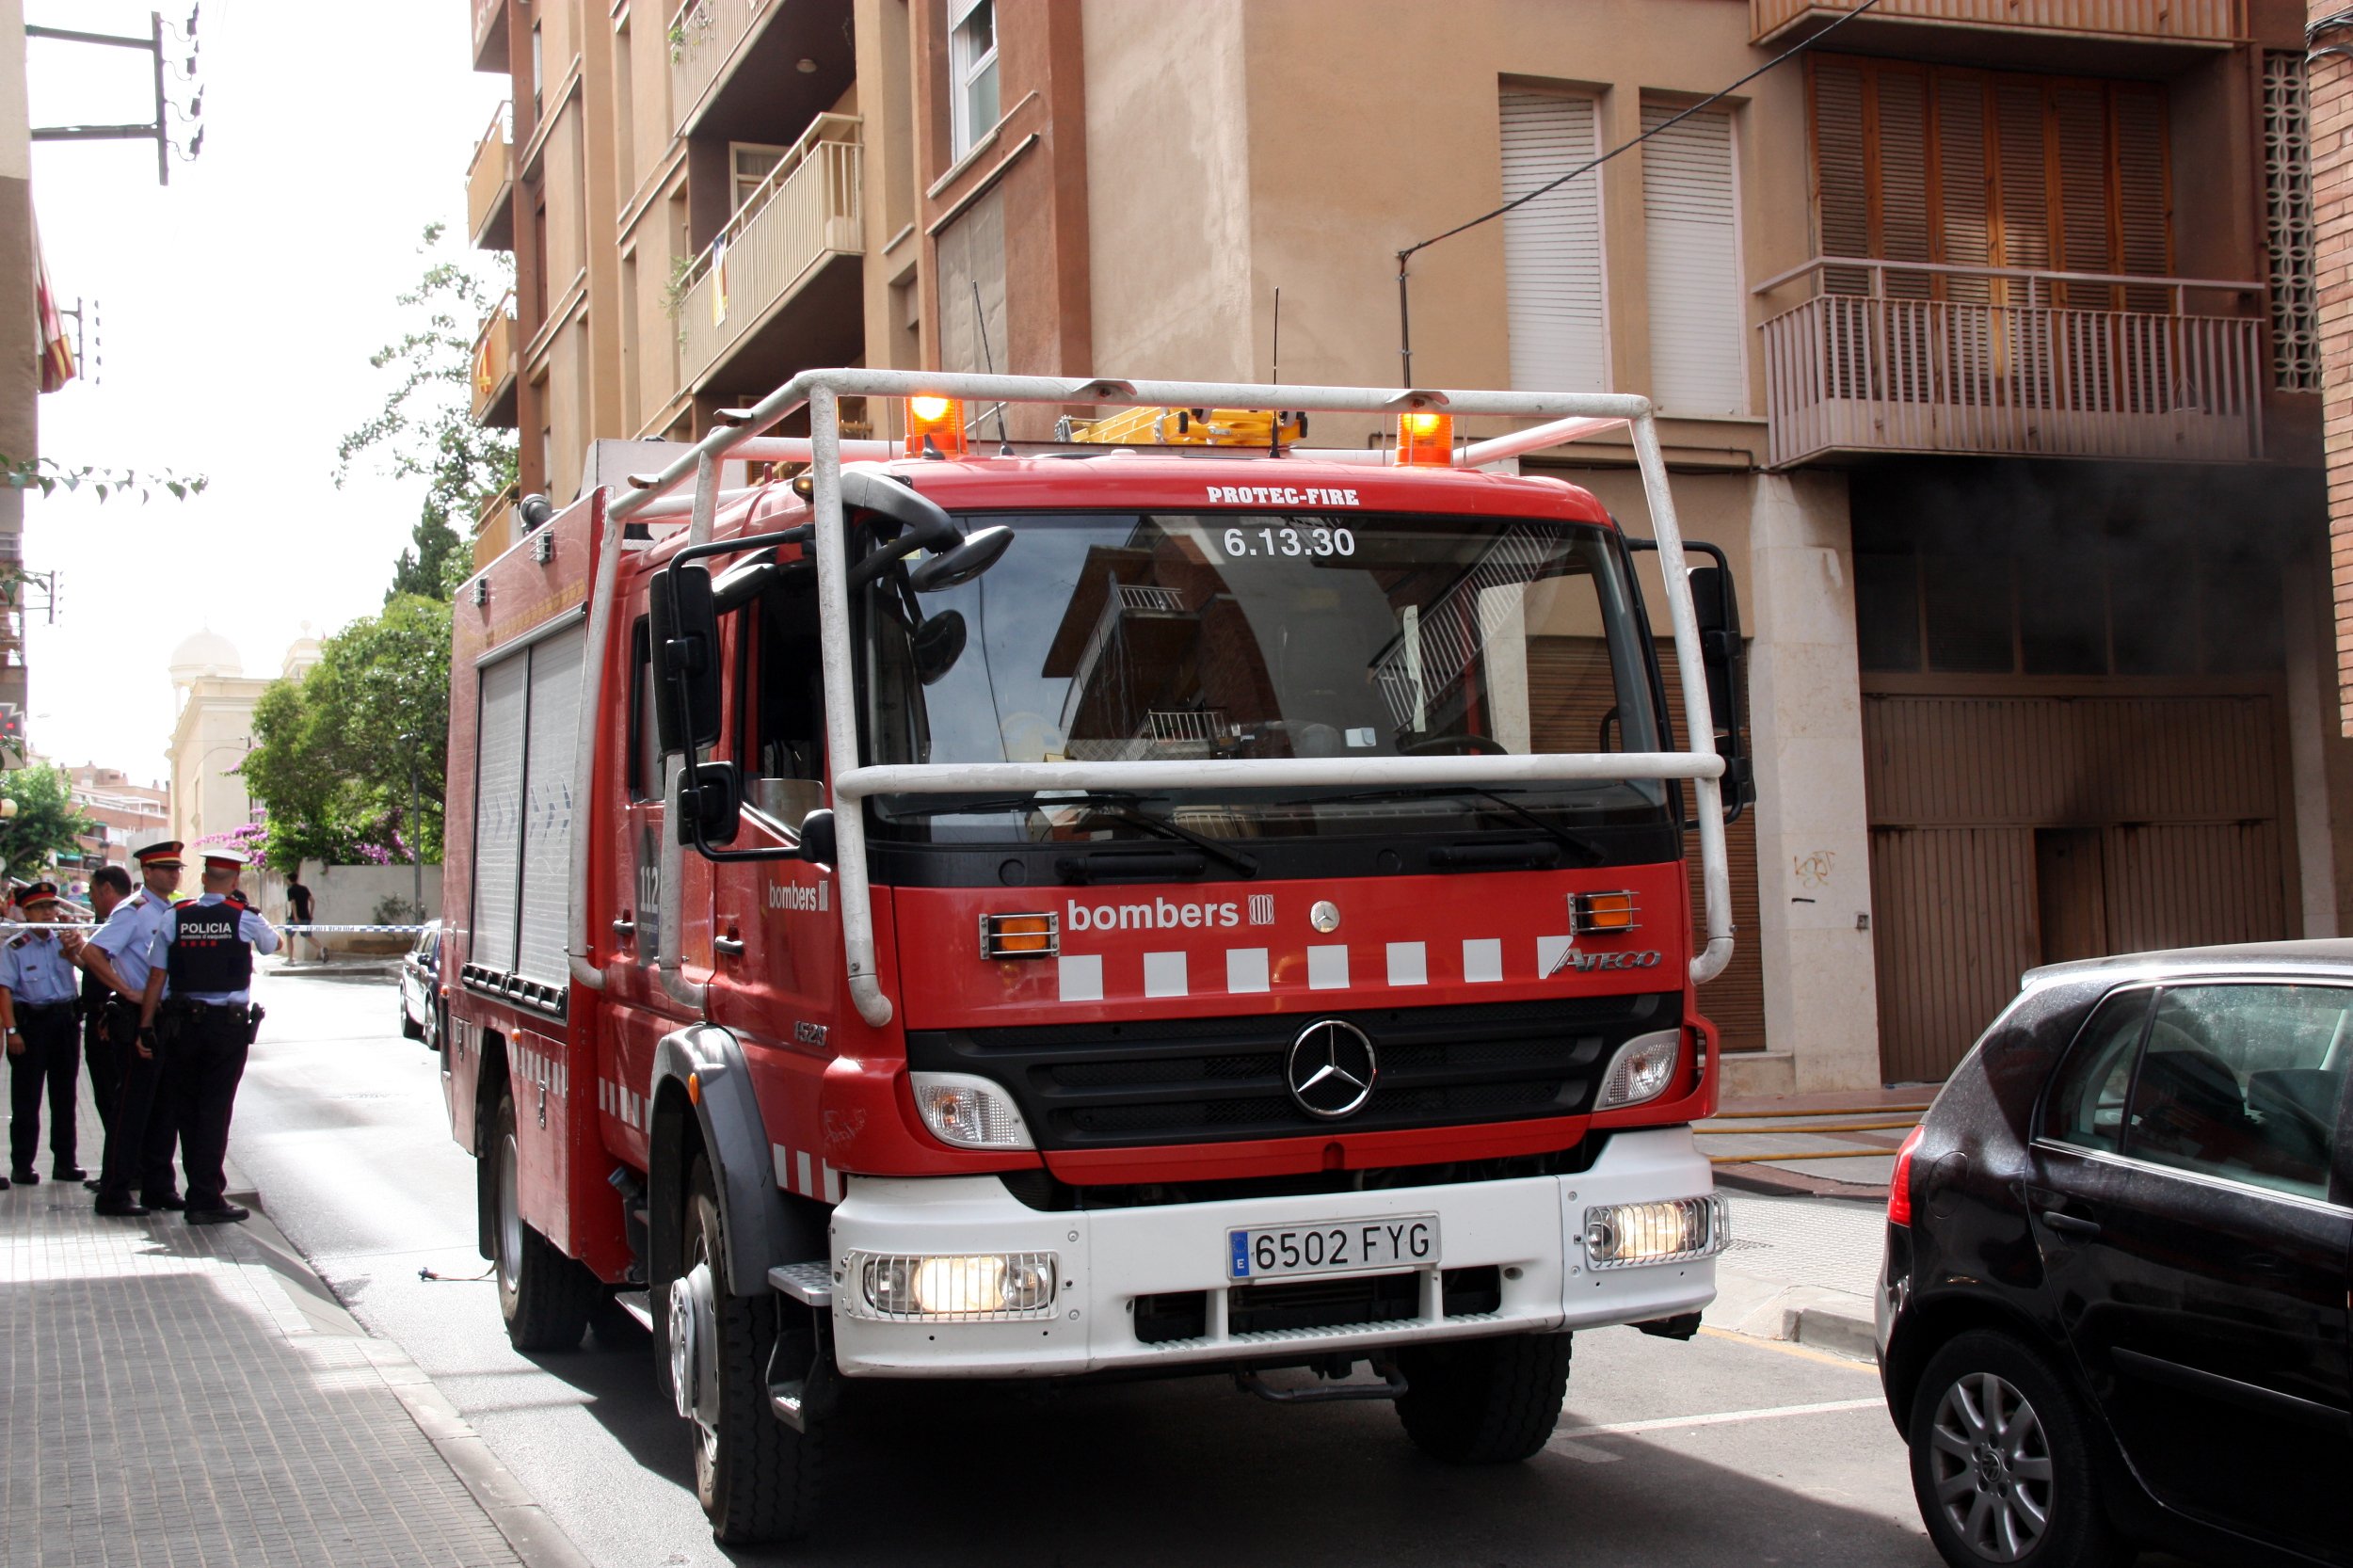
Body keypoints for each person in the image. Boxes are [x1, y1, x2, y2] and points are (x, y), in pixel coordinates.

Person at [136, 847, 277, 1224]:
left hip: (181, 1027)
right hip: (225, 1029)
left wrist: (145, 1026)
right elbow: (272, 944)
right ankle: (205, 1197)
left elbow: (156, 976)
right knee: (215, 1109)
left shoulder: (174, 917)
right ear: (234, 882)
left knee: (187, 1110)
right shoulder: (242, 917)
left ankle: (201, 1189)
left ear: (202, 878)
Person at [76, 834, 185, 1217]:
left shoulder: (171, 912)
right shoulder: (133, 910)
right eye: (166, 869)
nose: (174, 876)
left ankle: (159, 1187)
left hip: (166, 1016)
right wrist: (127, 990)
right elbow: (92, 952)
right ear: (147, 871)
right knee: (131, 1108)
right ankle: (115, 1191)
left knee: (164, 1108)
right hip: (138, 1015)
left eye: (177, 869)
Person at [0, 882, 82, 1187]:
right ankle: (22, 1165)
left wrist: (74, 949)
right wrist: (12, 1031)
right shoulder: (16, 947)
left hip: (64, 1021)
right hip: (32, 1025)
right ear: (28, 912)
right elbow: (4, 991)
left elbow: (87, 966)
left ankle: (65, 1162)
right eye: (42, 907)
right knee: (26, 1098)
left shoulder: (64, 942)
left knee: (65, 1097)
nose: (50, 912)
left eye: (52, 906)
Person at [62, 864, 133, 1187]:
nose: (90, 899)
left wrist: (113, 1005)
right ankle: (118, 1169)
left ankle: (123, 1172)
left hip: (109, 1019)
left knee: (114, 1097)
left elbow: (120, 975)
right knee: (107, 1098)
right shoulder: (114, 920)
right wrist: (76, 956)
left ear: (107, 889)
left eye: (92, 892)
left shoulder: (125, 918)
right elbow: (98, 970)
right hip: (101, 1015)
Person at [283, 873, 325, 963]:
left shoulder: (290, 890)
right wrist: (311, 913)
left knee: (289, 936)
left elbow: (293, 903)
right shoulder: (304, 889)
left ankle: (290, 959)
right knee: (308, 936)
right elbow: (312, 901)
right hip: (306, 916)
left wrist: (295, 916)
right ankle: (321, 948)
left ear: (289, 880)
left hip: (294, 918)